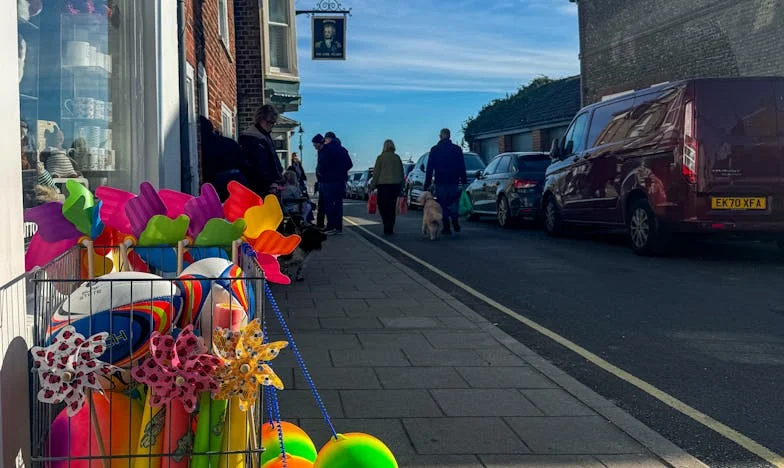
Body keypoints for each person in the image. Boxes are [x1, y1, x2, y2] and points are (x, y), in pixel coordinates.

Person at [425, 128, 466, 235]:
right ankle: (455, 220)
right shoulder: (457, 149)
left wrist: (428, 183)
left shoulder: (435, 150)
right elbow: (461, 166)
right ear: (449, 136)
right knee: (454, 202)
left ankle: (446, 226)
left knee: (442, 204)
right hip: (454, 181)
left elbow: (430, 168)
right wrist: (464, 179)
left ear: (441, 136)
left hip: (441, 181)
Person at [239, 105, 283, 196]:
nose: (272, 126)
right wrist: (270, 182)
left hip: (268, 187)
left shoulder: (264, 136)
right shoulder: (252, 139)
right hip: (261, 189)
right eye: (271, 122)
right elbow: (259, 165)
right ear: (264, 120)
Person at [201, 116, 247, 200]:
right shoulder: (230, 142)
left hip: (217, 184)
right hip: (237, 181)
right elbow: (243, 164)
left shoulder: (203, 146)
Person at [316, 131, 353, 235]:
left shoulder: (326, 149)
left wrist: (322, 172)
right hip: (340, 181)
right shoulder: (343, 150)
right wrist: (341, 171)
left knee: (329, 205)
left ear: (328, 139)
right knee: (338, 204)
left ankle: (331, 226)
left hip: (328, 181)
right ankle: (338, 228)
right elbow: (350, 164)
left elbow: (322, 165)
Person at [370, 139, 404, 236]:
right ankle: (390, 226)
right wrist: (402, 186)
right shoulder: (397, 158)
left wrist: (372, 186)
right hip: (395, 186)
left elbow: (376, 173)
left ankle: (386, 223)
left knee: (383, 206)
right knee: (392, 206)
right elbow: (402, 173)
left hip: (383, 186)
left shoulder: (380, 158)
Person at [312, 134, 326, 229]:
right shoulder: (320, 151)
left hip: (325, 182)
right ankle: (320, 224)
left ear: (319, 143)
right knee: (322, 204)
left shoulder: (324, 152)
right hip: (322, 181)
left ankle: (320, 225)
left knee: (323, 204)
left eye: (315, 144)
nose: (314, 146)